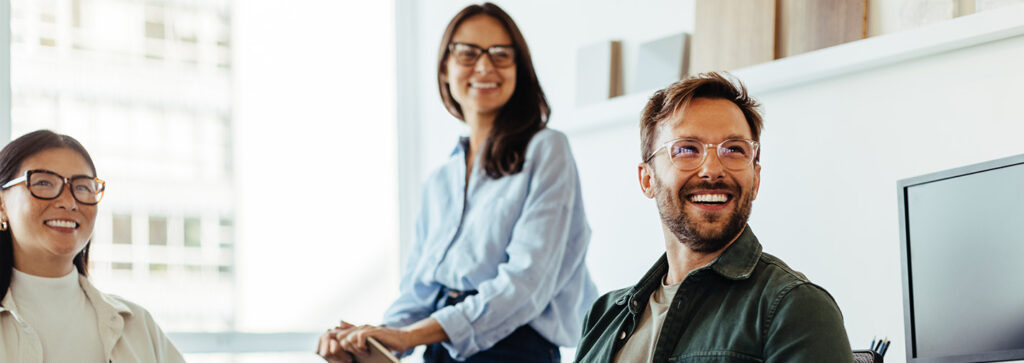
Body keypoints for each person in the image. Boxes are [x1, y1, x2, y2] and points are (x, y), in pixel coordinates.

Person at [317, 3, 597, 363]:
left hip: (514, 350)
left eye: (500, 54)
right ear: (445, 69)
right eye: (467, 53)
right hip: (439, 349)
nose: (484, 66)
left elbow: (526, 284)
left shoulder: (546, 149)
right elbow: (418, 293)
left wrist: (407, 336)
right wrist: (368, 343)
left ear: (519, 69)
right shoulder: (439, 181)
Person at [573, 73, 853, 363]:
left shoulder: (794, 307)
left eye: (734, 149)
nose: (712, 169)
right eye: (686, 149)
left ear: (756, 179)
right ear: (647, 179)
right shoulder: (602, 317)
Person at [0, 130, 185, 362]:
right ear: (2, 204)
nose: (68, 202)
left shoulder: (139, 327)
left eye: (82, 187)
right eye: (44, 183)